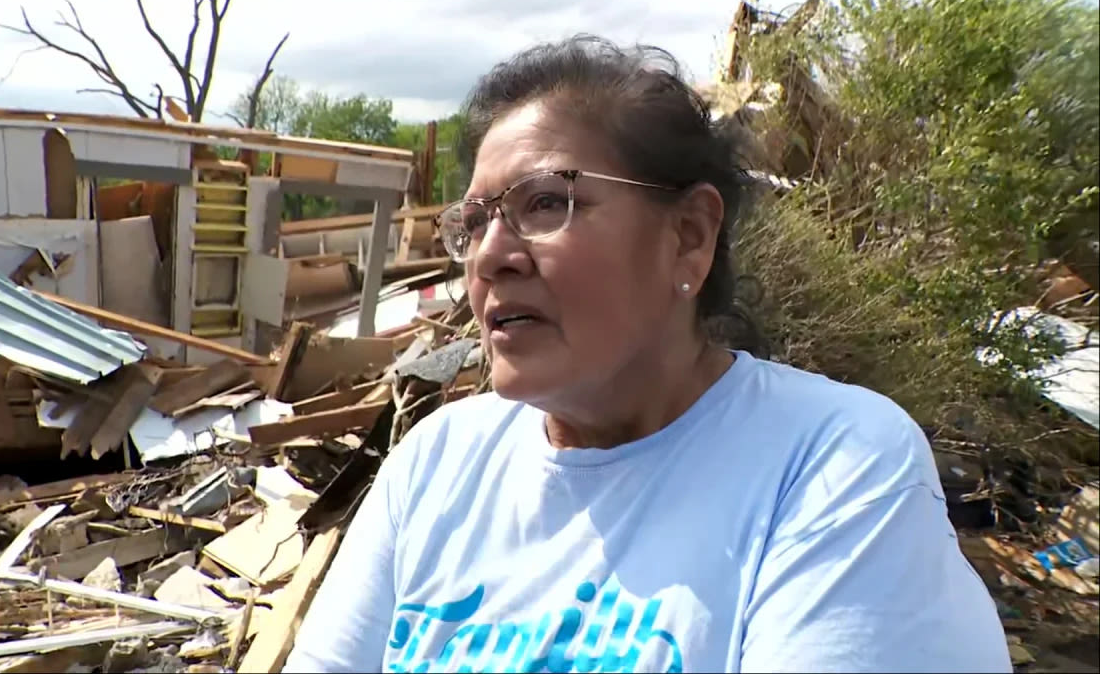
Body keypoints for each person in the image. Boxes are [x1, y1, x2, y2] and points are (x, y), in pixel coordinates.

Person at [282, 35, 1011, 673]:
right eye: (472, 223)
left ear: (689, 235)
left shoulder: (832, 464)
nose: (490, 256)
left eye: (544, 203)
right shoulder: (438, 462)